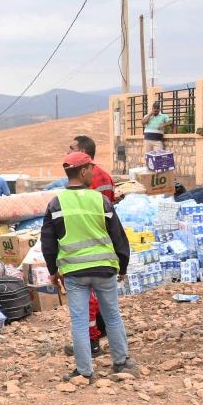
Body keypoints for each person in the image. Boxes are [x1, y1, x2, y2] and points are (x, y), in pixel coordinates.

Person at [41, 151, 136, 382]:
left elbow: (48, 243)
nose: (94, 172)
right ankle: (121, 363)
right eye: (91, 168)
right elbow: (119, 238)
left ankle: (84, 371)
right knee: (112, 316)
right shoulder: (100, 201)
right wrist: (122, 267)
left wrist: (53, 272)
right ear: (83, 171)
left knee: (80, 321)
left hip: (74, 273)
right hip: (104, 270)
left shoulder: (56, 203)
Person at [66, 134, 114, 357]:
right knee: (106, 302)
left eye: (71, 149)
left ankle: (91, 344)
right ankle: (112, 347)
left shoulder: (86, 181)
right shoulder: (106, 176)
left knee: (88, 303)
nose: (67, 153)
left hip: (86, 250)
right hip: (105, 246)